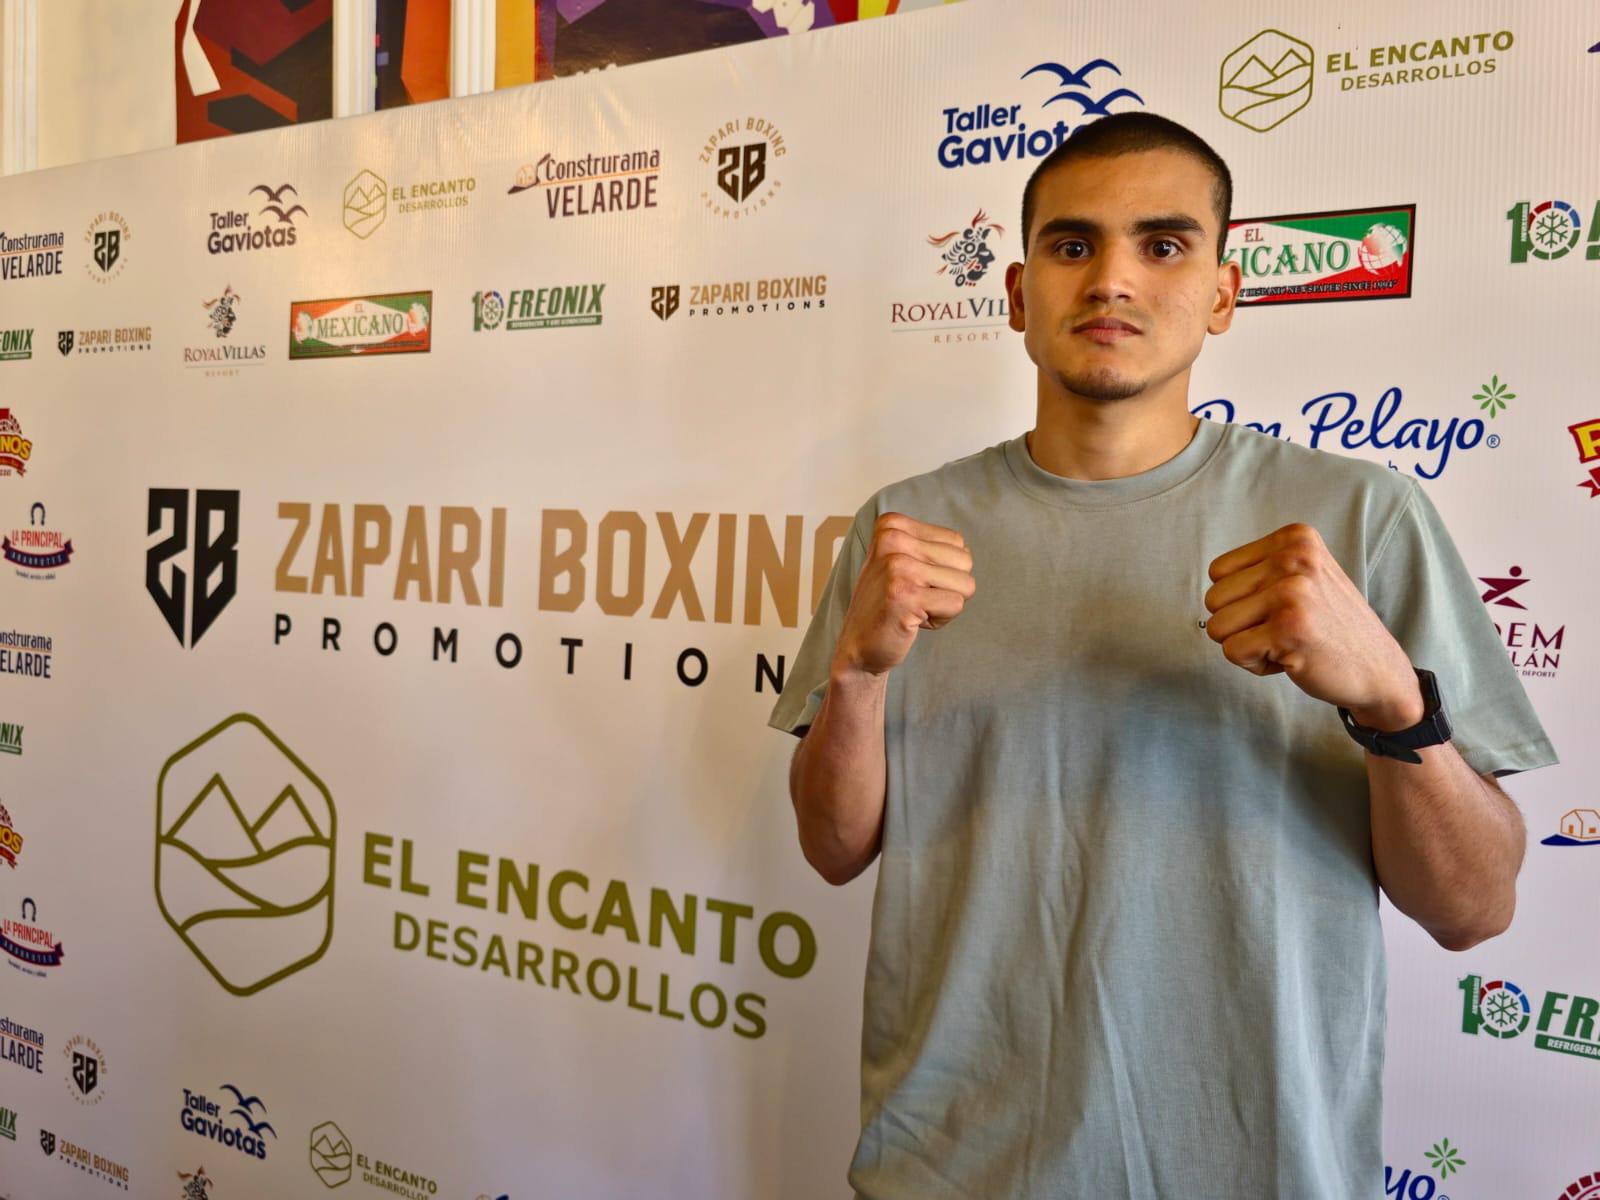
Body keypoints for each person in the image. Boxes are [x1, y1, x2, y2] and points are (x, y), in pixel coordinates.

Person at [768, 112, 1558, 1198]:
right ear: (1017, 293)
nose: (1112, 280)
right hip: (950, 1168)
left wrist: (1389, 700)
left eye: (1164, 244)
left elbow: (1474, 910)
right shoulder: (904, 529)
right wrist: (855, 678)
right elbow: (831, 848)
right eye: (1072, 244)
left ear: (1223, 293)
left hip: (1255, 1167)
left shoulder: (1360, 520)